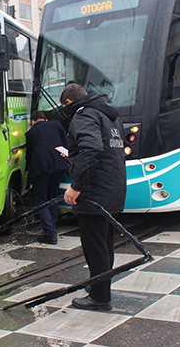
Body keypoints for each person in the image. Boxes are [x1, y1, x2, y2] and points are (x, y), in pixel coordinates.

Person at [60, 83, 126, 311]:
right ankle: (100, 285)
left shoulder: (84, 116)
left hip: (95, 191)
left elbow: (92, 149)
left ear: (68, 103)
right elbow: (109, 149)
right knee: (105, 244)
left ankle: (100, 298)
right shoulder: (111, 117)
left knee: (94, 246)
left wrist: (76, 185)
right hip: (114, 188)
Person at [25, 111, 68, 245]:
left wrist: (27, 170)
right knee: (53, 197)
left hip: (41, 167)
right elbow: (65, 143)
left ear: (33, 121)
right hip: (59, 164)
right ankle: (52, 228)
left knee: (41, 199)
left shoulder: (31, 132)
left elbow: (29, 154)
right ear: (46, 119)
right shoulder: (57, 125)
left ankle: (49, 234)